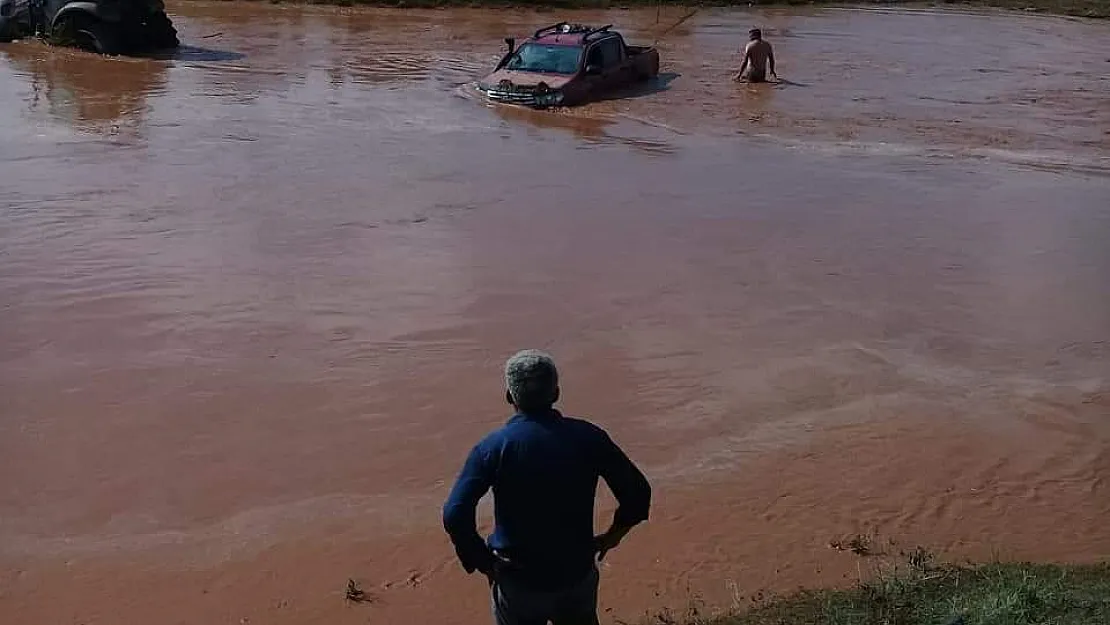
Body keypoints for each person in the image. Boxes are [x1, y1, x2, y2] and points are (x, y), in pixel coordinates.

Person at [443, 350, 652, 625]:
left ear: (509, 396)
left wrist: (484, 562)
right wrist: (613, 536)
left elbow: (454, 513)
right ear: (556, 393)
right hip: (576, 575)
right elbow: (637, 494)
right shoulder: (589, 438)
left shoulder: (493, 447)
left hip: (518, 579)